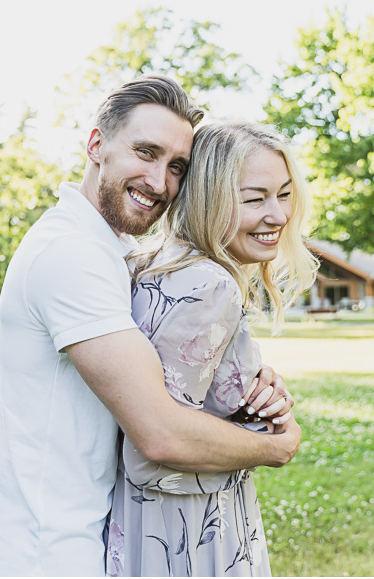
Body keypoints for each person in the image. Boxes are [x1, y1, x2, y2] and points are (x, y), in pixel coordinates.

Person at [0, 77, 302, 577]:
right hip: (52, 547)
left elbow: (170, 358)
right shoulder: (71, 255)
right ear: (96, 144)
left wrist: (246, 379)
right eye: (145, 152)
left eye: (176, 167)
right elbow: (161, 435)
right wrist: (275, 446)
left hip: (99, 533)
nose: (158, 181)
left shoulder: (122, 252)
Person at [106, 122, 318, 576]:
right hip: (186, 537)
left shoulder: (158, 265)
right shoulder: (210, 284)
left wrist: (249, 387)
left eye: (283, 194)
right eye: (254, 198)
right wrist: (272, 441)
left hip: (149, 530)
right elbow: (158, 452)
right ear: (209, 198)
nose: (278, 216)